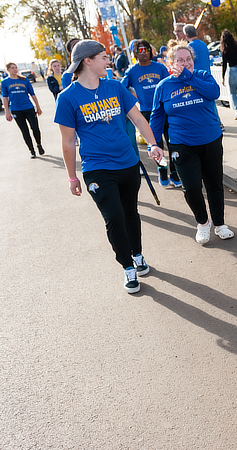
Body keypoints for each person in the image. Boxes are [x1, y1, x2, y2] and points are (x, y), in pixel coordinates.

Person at [54, 40, 165, 294]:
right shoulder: (67, 98)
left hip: (128, 163)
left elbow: (137, 117)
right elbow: (68, 141)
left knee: (130, 213)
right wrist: (72, 177)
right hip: (97, 168)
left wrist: (152, 143)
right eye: (104, 57)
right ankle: (127, 267)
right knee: (113, 217)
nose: (108, 61)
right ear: (87, 61)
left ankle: (138, 255)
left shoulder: (115, 87)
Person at [150, 40, 234, 244]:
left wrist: (188, 78)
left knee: (214, 184)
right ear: (170, 63)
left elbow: (213, 93)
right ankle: (203, 223)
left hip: (210, 139)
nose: (185, 63)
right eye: (180, 60)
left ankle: (220, 224)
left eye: (188, 59)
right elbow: (157, 117)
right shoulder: (164, 86)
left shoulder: (202, 76)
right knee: (191, 187)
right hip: (182, 143)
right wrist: (154, 144)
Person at [121, 39, 179, 187]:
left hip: (165, 110)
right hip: (147, 112)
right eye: (140, 50)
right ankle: (162, 169)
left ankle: (174, 172)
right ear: (135, 53)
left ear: (150, 51)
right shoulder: (132, 71)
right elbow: (121, 89)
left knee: (173, 142)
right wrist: (131, 102)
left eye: (146, 49)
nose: (144, 53)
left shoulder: (160, 68)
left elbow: (170, 85)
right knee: (156, 145)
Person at [2, 62, 44, 159]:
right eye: (12, 68)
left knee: (35, 128)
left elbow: (32, 94)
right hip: (16, 110)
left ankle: (39, 144)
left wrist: (38, 107)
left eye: (16, 67)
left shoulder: (24, 80)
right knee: (25, 131)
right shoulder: (5, 82)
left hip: (28, 107)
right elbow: (5, 98)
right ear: (8, 70)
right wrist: (7, 112)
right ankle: (32, 150)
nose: (15, 69)